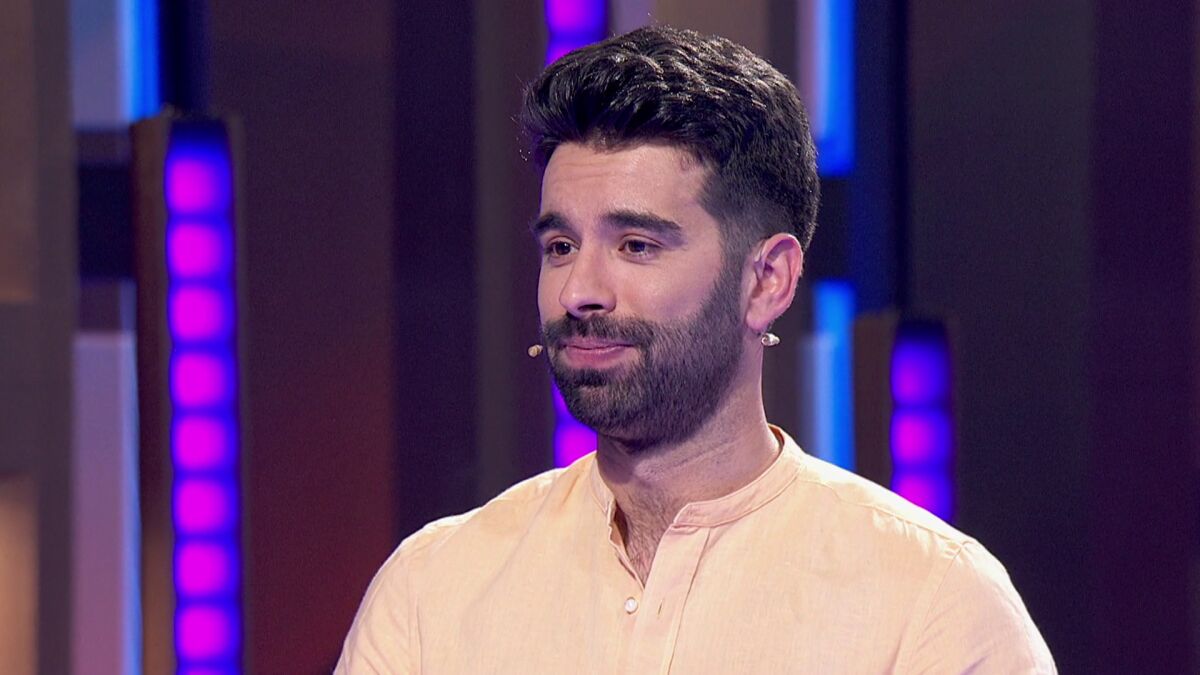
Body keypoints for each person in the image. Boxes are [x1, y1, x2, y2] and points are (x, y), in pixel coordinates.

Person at [336, 25, 1054, 673]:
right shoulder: (435, 590)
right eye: (560, 246)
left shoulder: (931, 606)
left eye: (636, 245)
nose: (579, 291)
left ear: (767, 280)